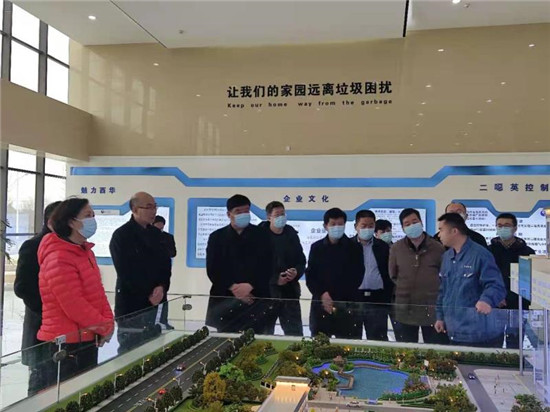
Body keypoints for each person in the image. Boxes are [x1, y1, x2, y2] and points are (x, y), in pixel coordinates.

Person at [37, 198, 114, 384]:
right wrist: (103, 326)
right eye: (87, 215)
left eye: (93, 214)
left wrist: (108, 322)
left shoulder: (85, 252)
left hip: (87, 337)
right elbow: (73, 304)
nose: (93, 219)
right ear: (71, 222)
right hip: (64, 343)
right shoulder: (58, 257)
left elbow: (98, 293)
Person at [110, 192, 171, 350]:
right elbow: (125, 272)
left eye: (155, 207)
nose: (153, 211)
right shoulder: (121, 236)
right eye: (149, 207)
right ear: (135, 209)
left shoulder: (157, 235)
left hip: (157, 300)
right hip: (132, 304)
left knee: (155, 349)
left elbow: (165, 265)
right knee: (130, 351)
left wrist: (162, 287)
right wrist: (148, 294)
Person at [435, 213, 506, 347]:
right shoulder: (447, 257)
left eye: (441, 230)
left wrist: (486, 300)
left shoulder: (480, 255)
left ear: (454, 231)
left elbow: (496, 285)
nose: (439, 235)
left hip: (477, 331)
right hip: (453, 329)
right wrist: (440, 317)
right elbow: (443, 290)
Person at [205, 194, 273, 333]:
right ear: (229, 214)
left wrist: (250, 286)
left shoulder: (263, 235)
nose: (243, 214)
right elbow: (213, 269)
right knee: (225, 342)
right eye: (238, 211)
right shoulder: (217, 237)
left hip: (255, 296)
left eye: (246, 211)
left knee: (257, 340)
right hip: (226, 298)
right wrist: (234, 288)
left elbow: (269, 265)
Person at [14, 201, 61, 395]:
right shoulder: (32, 246)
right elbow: (22, 287)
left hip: (65, 332)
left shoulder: (72, 246)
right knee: (40, 386)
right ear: (51, 221)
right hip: (40, 328)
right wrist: (49, 311)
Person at [389, 208, 447, 344]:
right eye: (407, 224)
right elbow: (393, 275)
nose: (412, 226)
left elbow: (444, 276)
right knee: (407, 350)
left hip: (431, 309)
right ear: (403, 228)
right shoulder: (396, 248)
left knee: (434, 349)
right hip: (405, 309)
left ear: (421, 222)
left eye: (415, 222)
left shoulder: (438, 247)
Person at [305, 208, 364, 339]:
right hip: (321, 305)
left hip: (347, 307)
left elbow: (358, 276)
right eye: (333, 224)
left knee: (347, 346)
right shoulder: (317, 248)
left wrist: (337, 300)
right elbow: (311, 275)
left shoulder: (355, 248)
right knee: (319, 345)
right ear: (325, 226)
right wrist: (322, 294)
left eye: (340, 224)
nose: (337, 227)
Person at [489, 212, 535, 349]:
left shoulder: (527, 252)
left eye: (507, 225)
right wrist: (496, 297)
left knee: (515, 344)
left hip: (518, 305)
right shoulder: (488, 251)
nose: (503, 228)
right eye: (499, 225)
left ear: (515, 228)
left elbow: (527, 282)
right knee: (493, 343)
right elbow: (486, 277)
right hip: (494, 304)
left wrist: (513, 298)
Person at [259, 201, 306, 336]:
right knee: (264, 333)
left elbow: (301, 260)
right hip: (266, 294)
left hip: (289, 292)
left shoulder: (291, 234)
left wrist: (296, 272)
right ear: (269, 217)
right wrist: (275, 279)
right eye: (277, 215)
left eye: (283, 214)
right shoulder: (258, 236)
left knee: (295, 334)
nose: (281, 217)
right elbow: (255, 266)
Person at [352, 210, 392, 341]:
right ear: (356, 226)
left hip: (377, 299)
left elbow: (388, 273)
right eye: (363, 226)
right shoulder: (348, 246)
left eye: (370, 226)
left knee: (378, 339)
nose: (367, 229)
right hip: (354, 299)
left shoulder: (383, 246)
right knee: (352, 338)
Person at [153, 215, 177, 330]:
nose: (160, 226)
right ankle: (151, 322)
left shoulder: (168, 237)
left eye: (161, 224)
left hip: (164, 271)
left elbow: (173, 253)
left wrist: (163, 248)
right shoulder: (148, 236)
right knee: (152, 297)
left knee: (164, 297)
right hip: (151, 271)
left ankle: (164, 320)